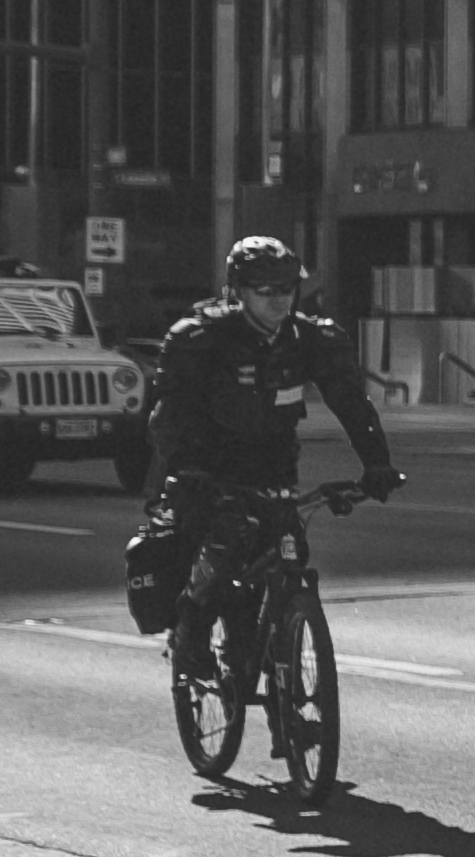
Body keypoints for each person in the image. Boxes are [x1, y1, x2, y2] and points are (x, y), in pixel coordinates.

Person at [135, 236, 400, 687]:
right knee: (220, 548)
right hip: (205, 465)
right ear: (237, 291)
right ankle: (191, 632)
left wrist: (377, 464)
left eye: (286, 289)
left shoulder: (312, 339)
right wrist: (186, 471)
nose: (278, 299)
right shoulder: (200, 338)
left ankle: (274, 647)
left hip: (273, 466)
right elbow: (167, 417)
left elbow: (351, 404)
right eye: (264, 290)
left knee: (286, 551)